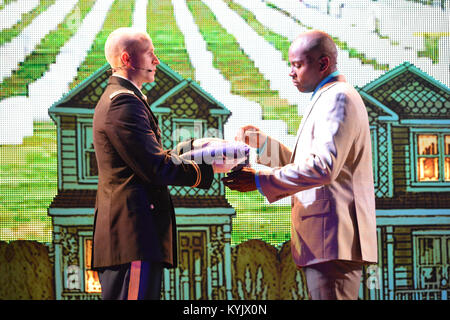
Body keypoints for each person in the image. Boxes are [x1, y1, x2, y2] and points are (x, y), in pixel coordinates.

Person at [223, 30, 378, 300]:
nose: (291, 73)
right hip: (329, 242)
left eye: (297, 65)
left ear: (323, 64)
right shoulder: (328, 96)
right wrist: (263, 144)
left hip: (333, 240)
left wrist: (260, 179)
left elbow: (322, 168)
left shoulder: (337, 98)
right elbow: (306, 165)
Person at [91, 27, 233, 300]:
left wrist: (194, 149)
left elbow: (147, 156)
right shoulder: (123, 103)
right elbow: (154, 167)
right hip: (132, 234)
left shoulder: (125, 98)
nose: (156, 61)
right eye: (149, 54)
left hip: (133, 235)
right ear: (126, 59)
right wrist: (209, 167)